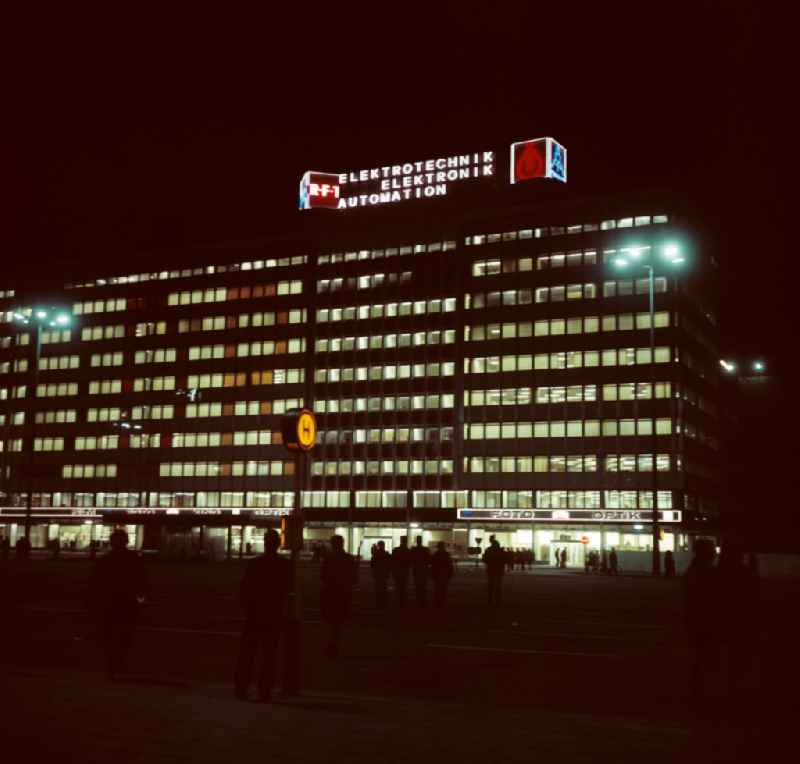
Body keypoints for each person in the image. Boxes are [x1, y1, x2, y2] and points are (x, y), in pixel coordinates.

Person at [234, 528, 291, 701]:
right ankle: (264, 690)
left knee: (248, 653)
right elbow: (287, 589)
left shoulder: (255, 563)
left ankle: (241, 687)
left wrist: (247, 607)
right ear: (277, 544)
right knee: (269, 655)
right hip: (273, 613)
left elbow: (244, 588)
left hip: (254, 612)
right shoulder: (284, 565)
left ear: (266, 543)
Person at [88, 529, 149, 680]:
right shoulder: (134, 559)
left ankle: (111, 665)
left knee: (109, 635)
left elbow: (95, 584)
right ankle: (121, 663)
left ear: (111, 542)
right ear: (126, 541)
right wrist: (141, 600)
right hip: (127, 602)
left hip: (109, 602)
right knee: (125, 634)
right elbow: (142, 581)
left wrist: (95, 603)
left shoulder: (105, 560)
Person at [716, 539, 760, 711]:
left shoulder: (716, 573)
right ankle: (736, 692)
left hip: (722, 623)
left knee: (725, 659)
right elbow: (753, 598)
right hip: (740, 623)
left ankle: (727, 691)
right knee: (738, 660)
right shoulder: (744, 572)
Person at [683, 538, 720, 709]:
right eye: (712, 550)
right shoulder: (704, 573)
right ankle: (700, 697)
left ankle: (697, 693)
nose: (715, 553)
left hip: (696, 624)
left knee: (699, 661)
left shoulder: (694, 571)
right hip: (703, 626)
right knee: (703, 661)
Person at [320, 534, 355, 658]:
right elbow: (354, 578)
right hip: (344, 592)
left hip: (331, 592)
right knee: (339, 620)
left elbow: (323, 576)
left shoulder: (328, 559)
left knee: (331, 620)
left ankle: (332, 644)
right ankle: (335, 643)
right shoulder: (349, 559)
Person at [482, 538, 505, 606]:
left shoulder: (488, 550)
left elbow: (484, 559)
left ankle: (490, 599)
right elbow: (504, 560)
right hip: (498, 569)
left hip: (491, 569)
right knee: (498, 585)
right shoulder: (500, 551)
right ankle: (498, 600)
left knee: (491, 584)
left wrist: (488, 563)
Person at [430, 541, 454, 608]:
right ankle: (442, 602)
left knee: (437, 589)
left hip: (437, 574)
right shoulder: (446, 554)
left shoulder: (436, 554)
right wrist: (450, 574)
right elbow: (450, 565)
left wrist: (432, 574)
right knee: (443, 589)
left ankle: (437, 602)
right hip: (444, 574)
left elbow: (432, 565)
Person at [370, 540, 392, 609]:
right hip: (384, 574)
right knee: (384, 588)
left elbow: (372, 564)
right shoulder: (386, 554)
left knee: (378, 589)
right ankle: (384, 603)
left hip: (377, 574)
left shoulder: (376, 554)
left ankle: (378, 603)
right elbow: (389, 564)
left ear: (378, 546)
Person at [410, 535, 431, 607]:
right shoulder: (425, 549)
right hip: (424, 570)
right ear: (421, 541)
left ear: (417, 541)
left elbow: (411, 560)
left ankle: (418, 600)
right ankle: (423, 600)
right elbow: (429, 560)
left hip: (416, 570)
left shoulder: (413, 550)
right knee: (423, 586)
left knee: (417, 586)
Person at [391, 535, 411, 607]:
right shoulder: (408, 551)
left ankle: (398, 601)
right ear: (406, 541)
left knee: (398, 586)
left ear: (400, 541)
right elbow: (409, 562)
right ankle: (403, 601)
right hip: (404, 572)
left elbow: (392, 561)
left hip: (397, 572)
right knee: (403, 587)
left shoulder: (396, 550)